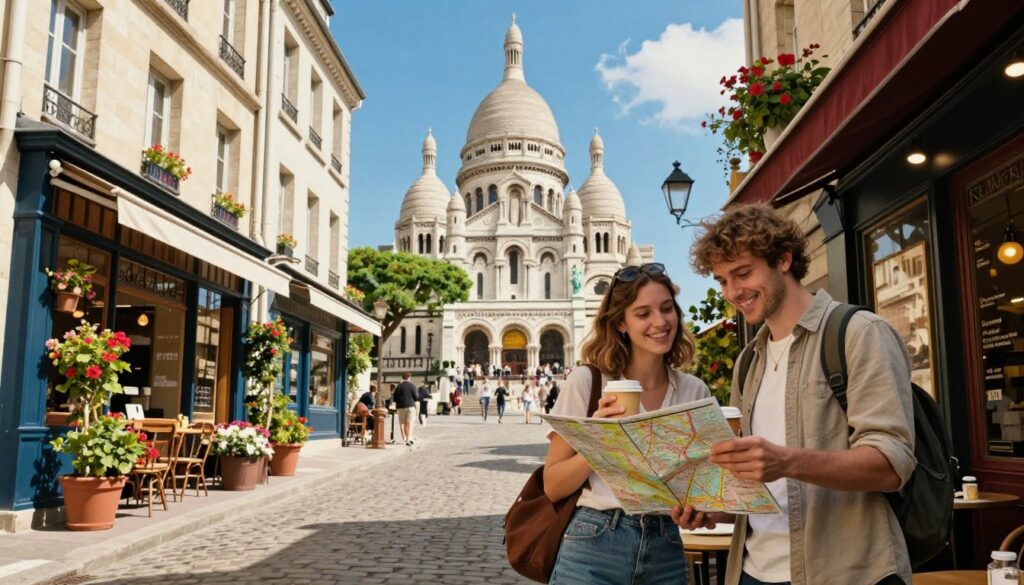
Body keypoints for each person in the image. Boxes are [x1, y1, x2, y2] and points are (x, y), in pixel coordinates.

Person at [676, 204, 915, 585]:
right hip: (752, 571)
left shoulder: (859, 333)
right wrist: (715, 510)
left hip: (844, 572)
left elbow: (891, 464)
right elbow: (756, 482)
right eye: (722, 280)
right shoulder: (748, 361)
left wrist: (785, 461)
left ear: (784, 259)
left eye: (743, 273)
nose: (733, 292)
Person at [544, 262, 710, 585]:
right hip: (594, 544)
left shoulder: (695, 392)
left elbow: (706, 491)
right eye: (643, 313)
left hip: (666, 549)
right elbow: (553, 486)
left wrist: (699, 510)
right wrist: (599, 441)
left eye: (666, 309)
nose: (660, 322)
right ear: (621, 321)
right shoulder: (586, 382)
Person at [392, 373, 419, 446]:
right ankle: (409, 438)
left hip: (400, 407)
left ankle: (404, 437)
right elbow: (416, 397)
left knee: (402, 423)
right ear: (409, 377)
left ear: (402, 378)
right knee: (410, 422)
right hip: (410, 406)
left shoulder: (398, 386)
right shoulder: (412, 385)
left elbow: (394, 399)